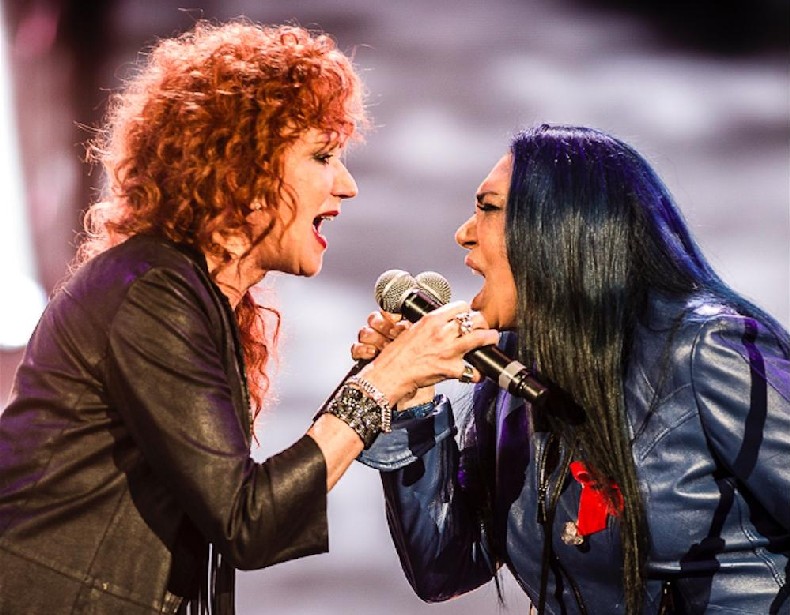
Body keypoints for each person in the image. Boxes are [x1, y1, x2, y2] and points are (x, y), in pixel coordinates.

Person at [0, 20, 498, 614]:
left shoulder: (191, 295)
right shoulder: (152, 293)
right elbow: (248, 522)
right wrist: (383, 381)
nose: (347, 186)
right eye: (322, 156)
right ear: (243, 167)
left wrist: (390, 379)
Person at [355, 124, 790, 614]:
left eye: (488, 208)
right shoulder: (513, 378)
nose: (464, 233)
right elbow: (444, 569)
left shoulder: (703, 349)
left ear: (561, 229)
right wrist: (413, 402)